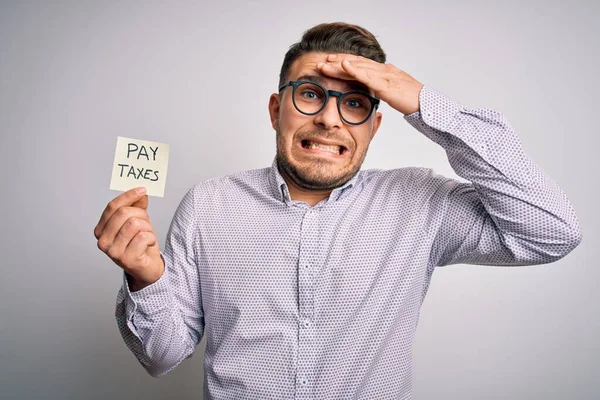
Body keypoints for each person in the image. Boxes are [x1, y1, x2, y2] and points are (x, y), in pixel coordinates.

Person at [94, 22, 582, 399]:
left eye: (353, 104)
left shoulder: (420, 202)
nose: (329, 118)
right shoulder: (208, 205)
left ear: (374, 127)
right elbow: (160, 356)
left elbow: (552, 232)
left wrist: (426, 106)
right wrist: (144, 278)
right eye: (310, 94)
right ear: (274, 110)